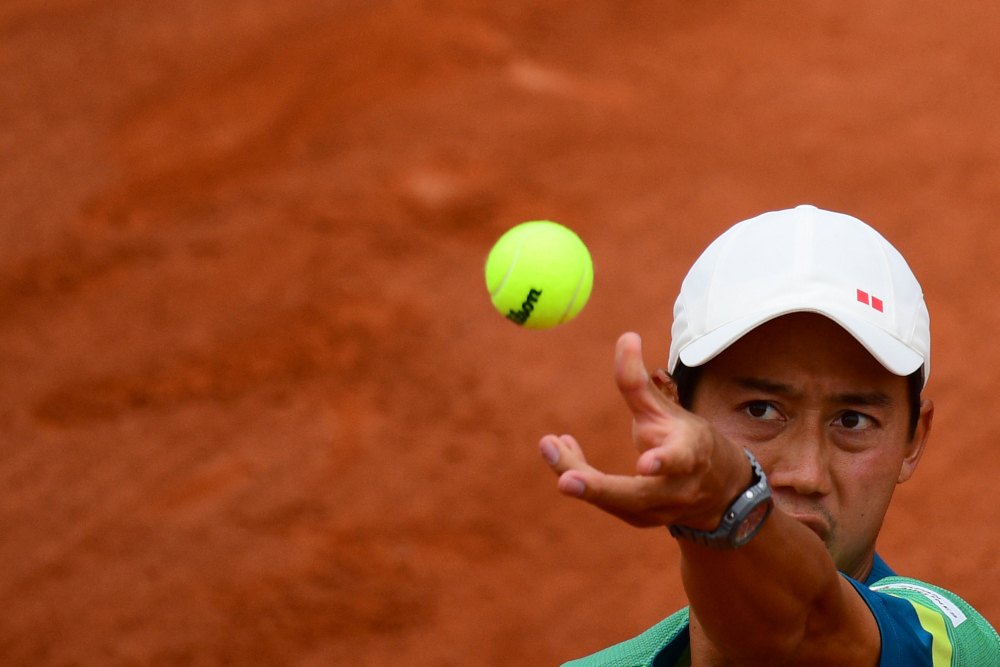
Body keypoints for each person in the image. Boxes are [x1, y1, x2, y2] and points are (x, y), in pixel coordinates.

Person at [539, 205, 1000, 666]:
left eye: (853, 420)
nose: (806, 473)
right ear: (674, 409)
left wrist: (729, 504)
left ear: (913, 439)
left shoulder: (955, 649)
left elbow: (802, 630)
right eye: (761, 410)